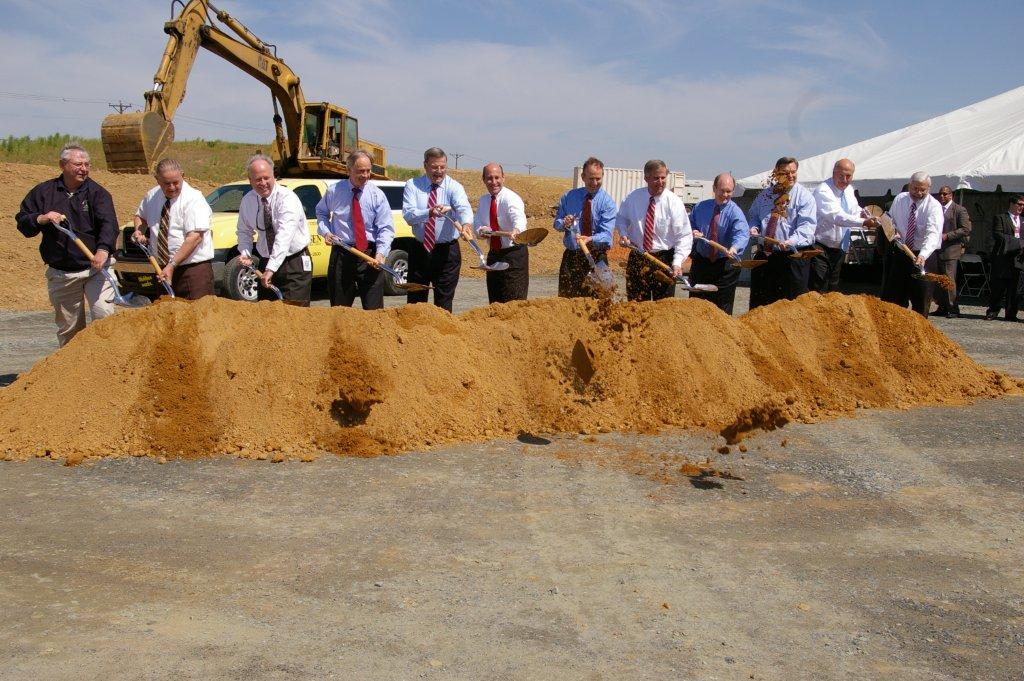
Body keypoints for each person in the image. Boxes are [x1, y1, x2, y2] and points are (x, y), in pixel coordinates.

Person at [15, 142, 118, 346]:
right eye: (78, 164)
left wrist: (103, 250)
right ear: (63, 165)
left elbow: (109, 224)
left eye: (87, 164)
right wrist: (41, 218)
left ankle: (105, 368)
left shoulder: (98, 193)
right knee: (69, 329)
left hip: (96, 268)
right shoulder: (44, 192)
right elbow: (23, 220)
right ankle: (74, 372)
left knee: (104, 314)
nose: (84, 169)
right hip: (62, 273)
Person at [316, 150, 394, 309]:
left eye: (368, 171)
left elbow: (385, 228)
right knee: (340, 310)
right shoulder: (334, 191)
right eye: (360, 171)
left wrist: (381, 254)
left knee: (374, 312)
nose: (365, 175)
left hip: (369, 256)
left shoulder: (377, 195)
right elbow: (321, 212)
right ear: (349, 170)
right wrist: (326, 231)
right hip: (342, 253)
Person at [401, 147, 473, 312]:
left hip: (446, 253)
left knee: (444, 302)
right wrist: (429, 212)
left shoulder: (454, 187)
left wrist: (466, 224)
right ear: (425, 165)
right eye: (434, 167)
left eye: (442, 167)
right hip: (420, 250)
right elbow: (408, 215)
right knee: (416, 302)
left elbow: (463, 208)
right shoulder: (413, 185)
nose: (439, 171)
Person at [235, 153, 312, 305]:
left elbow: (284, 237)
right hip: (266, 261)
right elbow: (244, 231)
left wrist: (271, 269)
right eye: (257, 179)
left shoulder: (287, 198)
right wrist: (245, 253)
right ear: (250, 181)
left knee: (294, 315)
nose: (263, 183)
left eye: (266, 178)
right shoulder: (248, 201)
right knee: (268, 315)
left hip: (294, 263)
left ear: (273, 176)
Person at [133, 158, 214, 300]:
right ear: (157, 179)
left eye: (176, 182)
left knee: (197, 319)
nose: (172, 187)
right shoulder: (152, 196)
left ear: (182, 175)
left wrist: (172, 265)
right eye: (166, 183)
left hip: (192, 271)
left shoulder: (194, 199)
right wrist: (138, 230)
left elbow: (194, 238)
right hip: (162, 269)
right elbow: (140, 216)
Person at [615, 159, 693, 301]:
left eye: (663, 178)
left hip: (664, 260)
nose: (661, 181)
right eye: (656, 178)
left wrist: (677, 262)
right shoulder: (633, 198)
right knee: (635, 306)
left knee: (662, 308)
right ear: (646, 178)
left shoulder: (674, 202)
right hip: (638, 257)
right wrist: (623, 233)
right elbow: (621, 219)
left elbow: (684, 236)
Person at [746, 156, 817, 308]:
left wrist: (791, 241)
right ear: (776, 173)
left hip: (793, 258)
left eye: (793, 172)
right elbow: (753, 216)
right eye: (785, 172)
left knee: (791, 307)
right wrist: (754, 227)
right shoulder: (764, 195)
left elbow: (806, 228)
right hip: (766, 256)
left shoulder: (805, 197)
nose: (790, 176)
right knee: (761, 305)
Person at [809, 159, 880, 293]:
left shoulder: (849, 190)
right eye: (841, 175)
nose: (845, 179)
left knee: (833, 286)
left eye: (849, 176)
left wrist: (863, 214)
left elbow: (853, 209)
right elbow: (837, 216)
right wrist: (863, 222)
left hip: (840, 246)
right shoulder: (823, 190)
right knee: (818, 286)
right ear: (833, 173)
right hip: (820, 246)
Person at [880, 172, 943, 317]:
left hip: (924, 256)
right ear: (910, 185)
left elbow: (933, 233)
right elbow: (890, 219)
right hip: (901, 253)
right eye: (915, 189)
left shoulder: (934, 207)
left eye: (923, 190)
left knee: (921, 299)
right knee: (893, 297)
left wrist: (923, 255)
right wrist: (891, 230)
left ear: (929, 188)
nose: (918, 193)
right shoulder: (900, 199)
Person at [553, 157, 616, 297]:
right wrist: (564, 223)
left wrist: (590, 239)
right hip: (572, 257)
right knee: (567, 302)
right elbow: (556, 224)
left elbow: (606, 235)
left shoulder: (608, 203)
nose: (595, 183)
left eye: (598, 179)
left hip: (596, 257)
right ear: (583, 177)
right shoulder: (569, 197)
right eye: (591, 178)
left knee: (600, 304)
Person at [688, 172, 749, 314]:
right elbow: (689, 225)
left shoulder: (736, 212)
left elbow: (742, 233)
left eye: (729, 191)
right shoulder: (700, 207)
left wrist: (735, 247)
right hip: (702, 263)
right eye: (722, 191)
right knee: (697, 304)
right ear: (714, 188)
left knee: (722, 308)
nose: (725, 195)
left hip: (725, 265)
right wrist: (693, 231)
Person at [475, 163, 528, 303]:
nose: (494, 182)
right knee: (495, 302)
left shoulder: (511, 198)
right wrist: (481, 231)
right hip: (494, 255)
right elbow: (478, 225)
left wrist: (516, 230)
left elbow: (519, 219)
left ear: (503, 178)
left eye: (497, 177)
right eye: (489, 178)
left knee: (514, 303)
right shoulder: (484, 201)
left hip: (514, 255)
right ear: (483, 179)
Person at [933, 186, 972, 318]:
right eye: (940, 194)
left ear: (951, 195)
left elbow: (966, 229)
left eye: (945, 194)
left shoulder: (959, 209)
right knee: (938, 279)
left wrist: (947, 236)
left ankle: (952, 308)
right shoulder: (936, 208)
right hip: (936, 249)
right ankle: (942, 306)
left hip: (951, 249)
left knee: (949, 279)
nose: (942, 197)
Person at [984, 194, 1024, 322]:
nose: (1021, 207)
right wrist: (1019, 243)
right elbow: (998, 235)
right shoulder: (1000, 218)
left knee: (1015, 288)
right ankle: (993, 311)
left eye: (1023, 205)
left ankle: (1011, 313)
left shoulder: (1023, 220)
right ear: (1012, 204)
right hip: (1003, 258)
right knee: (998, 287)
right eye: (1019, 204)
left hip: (1018, 259)